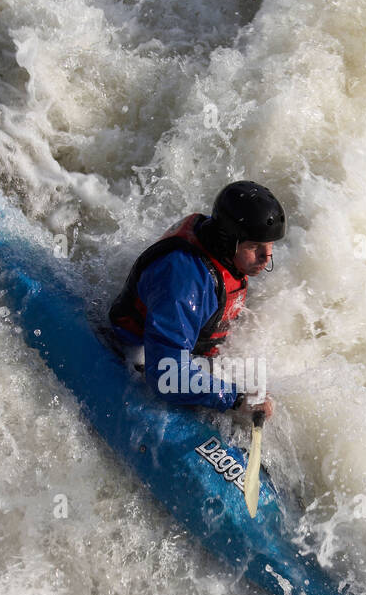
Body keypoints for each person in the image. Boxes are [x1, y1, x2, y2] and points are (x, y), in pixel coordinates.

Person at [108, 181, 284, 424]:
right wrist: (235, 398)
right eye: (255, 246)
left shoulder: (225, 254)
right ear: (228, 241)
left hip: (189, 355)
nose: (267, 257)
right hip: (138, 357)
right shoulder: (183, 282)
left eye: (269, 245)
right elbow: (166, 374)